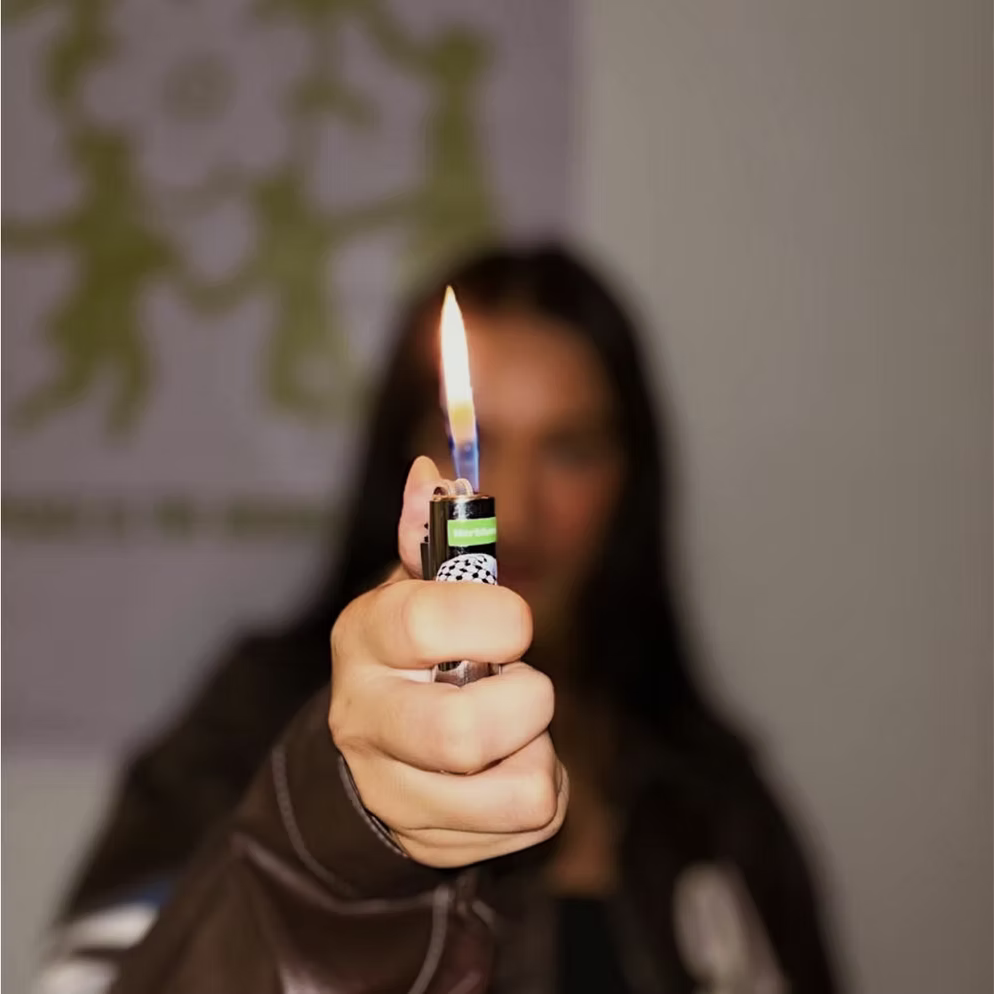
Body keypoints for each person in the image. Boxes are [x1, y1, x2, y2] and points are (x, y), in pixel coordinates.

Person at [42, 245, 840, 994]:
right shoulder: (256, 717)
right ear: (412, 465)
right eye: (478, 439)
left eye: (570, 450)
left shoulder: (708, 791)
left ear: (631, 482)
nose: (519, 513)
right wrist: (330, 839)